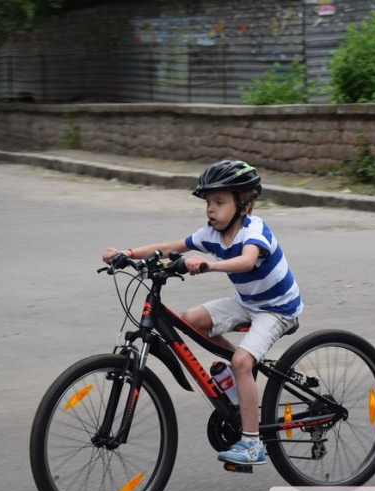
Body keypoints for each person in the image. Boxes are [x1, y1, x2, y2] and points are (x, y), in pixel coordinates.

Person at [102, 159, 303, 466]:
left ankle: (252, 443)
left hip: (277, 309)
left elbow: (248, 261)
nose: (211, 209)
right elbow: (170, 248)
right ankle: (241, 378)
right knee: (190, 321)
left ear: (244, 206)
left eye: (219, 202)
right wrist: (127, 254)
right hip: (248, 301)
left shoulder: (254, 229)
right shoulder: (211, 234)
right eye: (208, 202)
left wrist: (208, 265)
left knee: (240, 361)